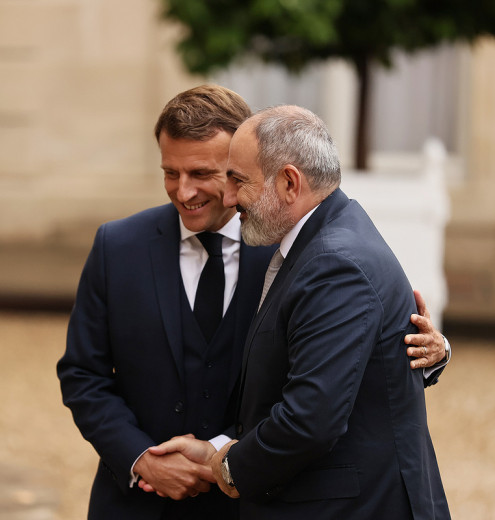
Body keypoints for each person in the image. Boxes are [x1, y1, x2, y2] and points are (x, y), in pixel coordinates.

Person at [57, 87, 449, 520]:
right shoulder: (117, 246)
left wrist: (431, 351)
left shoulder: (291, 247)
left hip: (252, 497)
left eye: (208, 174)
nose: (184, 191)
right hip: (137, 504)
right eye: (170, 172)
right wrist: (141, 459)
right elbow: (82, 373)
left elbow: (335, 376)